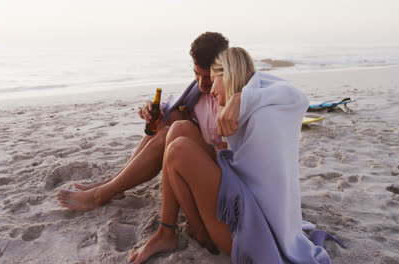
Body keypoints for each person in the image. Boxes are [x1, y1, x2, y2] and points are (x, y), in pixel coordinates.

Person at [128, 47, 336, 264]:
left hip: (251, 233)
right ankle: (168, 232)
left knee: (178, 149)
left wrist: (241, 98)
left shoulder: (261, 114)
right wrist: (241, 99)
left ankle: (189, 234)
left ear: (225, 75)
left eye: (212, 78)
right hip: (244, 204)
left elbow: (299, 97)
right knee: (179, 128)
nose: (208, 91)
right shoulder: (255, 103)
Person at [56, 32, 233, 211]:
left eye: (208, 77)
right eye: (196, 74)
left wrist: (240, 98)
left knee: (167, 134)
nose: (201, 84)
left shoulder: (233, 93)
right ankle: (113, 183)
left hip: (221, 169)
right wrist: (150, 110)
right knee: (168, 119)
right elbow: (174, 105)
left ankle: (100, 195)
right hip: (205, 155)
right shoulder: (197, 92)